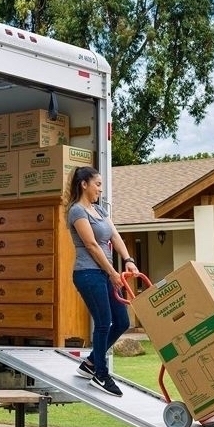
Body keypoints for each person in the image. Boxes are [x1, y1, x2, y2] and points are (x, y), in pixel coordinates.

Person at [66, 166, 135, 397]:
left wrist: (128, 260)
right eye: (97, 185)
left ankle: (91, 363)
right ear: (84, 184)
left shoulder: (99, 210)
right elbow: (92, 246)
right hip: (88, 273)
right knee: (104, 322)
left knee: (122, 321)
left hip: (105, 273)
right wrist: (113, 273)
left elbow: (115, 236)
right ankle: (101, 374)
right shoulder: (77, 211)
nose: (100, 190)